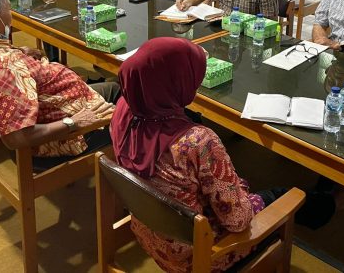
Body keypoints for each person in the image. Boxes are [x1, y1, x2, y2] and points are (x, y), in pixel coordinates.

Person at [110, 38, 267, 272]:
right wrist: (244, 192)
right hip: (197, 255)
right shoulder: (198, 142)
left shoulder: (123, 109)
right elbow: (238, 220)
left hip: (148, 233)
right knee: (280, 196)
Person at [0, 0, 118, 161]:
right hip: (66, 135)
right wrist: (73, 122)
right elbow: (16, 138)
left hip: (56, 100)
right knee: (132, 99)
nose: (10, 15)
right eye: (7, 8)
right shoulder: (3, 68)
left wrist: (20, 54)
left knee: (115, 88)